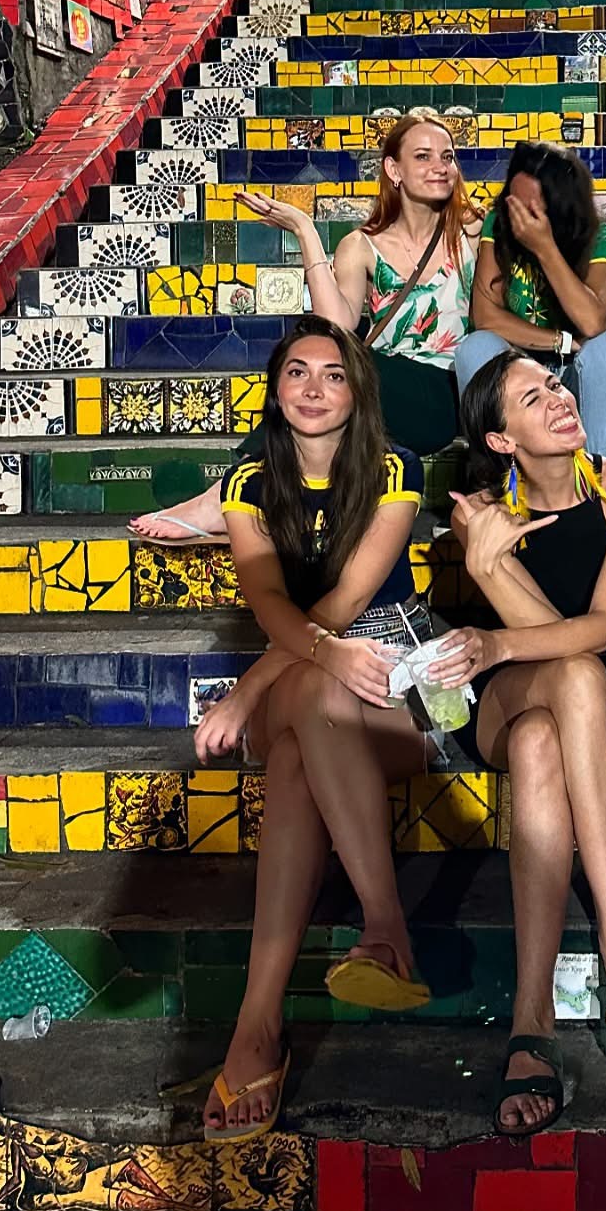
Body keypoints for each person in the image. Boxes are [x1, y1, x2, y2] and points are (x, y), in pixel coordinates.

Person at [195, 315, 479, 1141]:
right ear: (275, 389)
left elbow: (352, 600)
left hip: (394, 666)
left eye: (333, 374)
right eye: (297, 373)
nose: (314, 389)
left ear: (357, 393)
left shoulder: (395, 466)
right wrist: (296, 665)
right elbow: (269, 604)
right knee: (316, 693)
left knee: (291, 760)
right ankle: (384, 930)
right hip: (301, 662)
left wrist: (244, 694)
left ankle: (257, 1029)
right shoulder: (249, 480)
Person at [449, 350, 606, 1133]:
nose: (559, 399)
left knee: (556, 720)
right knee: (562, 686)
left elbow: (601, 629)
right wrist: (486, 563)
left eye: (555, 385)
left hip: (590, 700)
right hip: (504, 703)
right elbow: (554, 638)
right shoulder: (479, 510)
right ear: (501, 440)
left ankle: (531, 1021)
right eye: (532, 398)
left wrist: (496, 628)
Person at [129, 113, 478, 544]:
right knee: (314, 369)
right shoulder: (361, 245)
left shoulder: (471, 233)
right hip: (378, 389)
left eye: (448, 157)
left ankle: (223, 498)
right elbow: (335, 327)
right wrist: (305, 230)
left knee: (339, 371)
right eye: (423, 157)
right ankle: (255, 499)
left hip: (443, 395)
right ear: (394, 169)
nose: (440, 167)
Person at [455, 142, 606, 459]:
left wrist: (544, 248)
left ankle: (596, 474)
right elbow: (485, 316)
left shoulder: (599, 238)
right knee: (476, 346)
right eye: (514, 202)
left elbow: (592, 323)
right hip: (519, 371)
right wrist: (559, 341)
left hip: (579, 379)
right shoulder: (498, 224)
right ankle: (499, 475)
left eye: (532, 210)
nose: (519, 218)